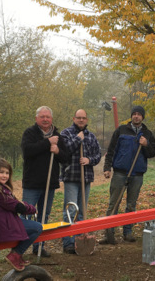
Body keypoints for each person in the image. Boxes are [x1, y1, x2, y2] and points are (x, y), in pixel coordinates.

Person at [100, 105, 155, 244]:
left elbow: (152, 153)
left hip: (137, 174)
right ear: (131, 116)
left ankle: (128, 231)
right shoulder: (121, 130)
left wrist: (146, 144)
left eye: (139, 114)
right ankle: (109, 233)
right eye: (134, 114)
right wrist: (107, 167)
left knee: (131, 205)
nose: (136, 116)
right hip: (120, 172)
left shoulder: (147, 134)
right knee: (114, 203)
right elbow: (111, 150)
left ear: (142, 117)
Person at [0, 158, 43, 272]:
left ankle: (17, 256)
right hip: (2, 227)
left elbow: (14, 202)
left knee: (28, 225)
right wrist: (33, 209)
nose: (4, 176)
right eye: (1, 172)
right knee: (37, 228)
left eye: (7, 173)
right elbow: (18, 207)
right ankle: (15, 254)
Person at [21, 106, 68, 257]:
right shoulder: (30, 133)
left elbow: (66, 158)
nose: (45, 119)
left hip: (49, 184)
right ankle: (19, 248)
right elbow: (27, 151)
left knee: (43, 216)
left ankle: (39, 247)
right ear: (36, 118)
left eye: (48, 117)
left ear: (51, 119)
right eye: (42, 117)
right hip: (32, 183)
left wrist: (58, 151)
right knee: (26, 215)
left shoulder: (57, 136)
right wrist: (48, 143)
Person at [59, 109, 101, 254]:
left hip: (86, 178)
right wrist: (78, 139)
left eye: (83, 118)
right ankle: (68, 242)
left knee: (82, 211)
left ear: (87, 119)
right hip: (71, 176)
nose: (81, 120)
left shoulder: (91, 136)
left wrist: (89, 160)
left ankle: (80, 238)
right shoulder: (66, 133)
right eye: (78, 118)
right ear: (74, 118)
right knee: (71, 210)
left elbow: (98, 154)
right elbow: (64, 151)